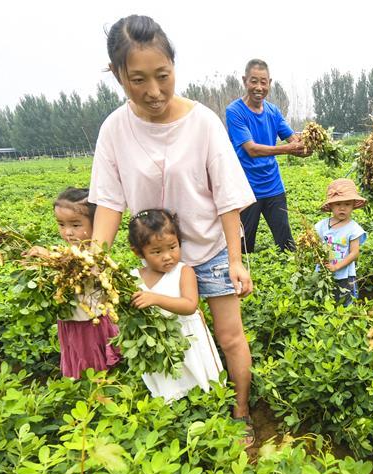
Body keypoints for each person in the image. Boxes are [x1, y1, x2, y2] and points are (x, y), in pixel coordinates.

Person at [88, 15, 256, 444]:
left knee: (229, 336)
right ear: (118, 74)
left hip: (209, 252)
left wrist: (236, 261)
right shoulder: (114, 130)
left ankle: (241, 410)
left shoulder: (203, 123)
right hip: (157, 257)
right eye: (138, 79)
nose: (154, 91)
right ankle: (185, 415)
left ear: (174, 67)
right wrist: (93, 262)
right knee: (171, 340)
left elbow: (227, 197)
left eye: (162, 76)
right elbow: (108, 202)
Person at [128, 209, 223, 401]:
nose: (167, 256)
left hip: (189, 338)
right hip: (159, 344)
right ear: (138, 252)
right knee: (170, 386)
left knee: (203, 384)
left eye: (172, 247)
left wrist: (155, 299)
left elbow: (190, 305)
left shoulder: (183, 271)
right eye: (156, 251)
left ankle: (210, 406)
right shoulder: (133, 277)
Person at [225, 59, 308, 253]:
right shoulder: (234, 111)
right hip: (247, 189)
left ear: (269, 83)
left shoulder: (273, 111)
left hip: (273, 186)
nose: (259, 87)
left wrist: (304, 146)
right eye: (254, 81)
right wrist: (288, 149)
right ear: (245, 81)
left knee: (287, 243)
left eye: (263, 82)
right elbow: (251, 149)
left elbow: (293, 139)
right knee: (245, 247)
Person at [38, 187, 121, 379]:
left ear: (96, 224)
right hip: (70, 321)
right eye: (61, 224)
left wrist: (47, 257)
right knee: (80, 365)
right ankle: (85, 389)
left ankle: (99, 391)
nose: (67, 232)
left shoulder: (96, 255)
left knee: (94, 366)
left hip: (90, 324)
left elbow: (81, 266)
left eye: (76, 225)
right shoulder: (67, 253)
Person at [314, 179, 368, 305]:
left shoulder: (353, 228)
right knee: (323, 300)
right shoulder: (321, 226)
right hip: (323, 272)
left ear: (353, 205)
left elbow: (354, 253)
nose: (342, 208)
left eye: (347, 204)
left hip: (344, 275)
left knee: (345, 302)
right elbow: (315, 246)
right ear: (331, 206)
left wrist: (337, 266)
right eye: (338, 204)